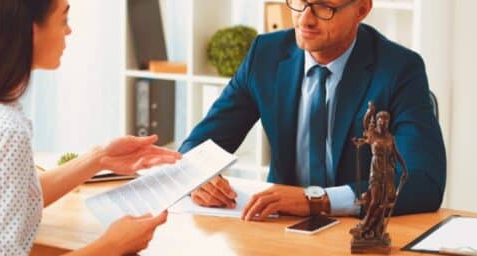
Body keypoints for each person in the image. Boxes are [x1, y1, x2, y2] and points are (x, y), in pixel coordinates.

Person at [0, 0, 181, 255]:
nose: (69, 31)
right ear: (30, 31)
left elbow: (8, 197)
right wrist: (112, 246)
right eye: (64, 18)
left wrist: (98, 159)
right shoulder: (3, 130)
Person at [180, 0, 446, 221]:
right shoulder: (265, 54)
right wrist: (199, 177)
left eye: (323, 7)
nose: (304, 19)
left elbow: (423, 182)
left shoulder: (399, 68)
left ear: (362, 9)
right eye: (299, 2)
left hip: (356, 232)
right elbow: (199, 144)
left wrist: (319, 201)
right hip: (278, 228)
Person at [350, 103, 408, 239]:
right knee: (375, 200)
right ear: (377, 122)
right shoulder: (373, 135)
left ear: (388, 123)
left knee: (385, 203)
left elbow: (397, 154)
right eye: (380, 120)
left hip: (387, 172)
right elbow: (365, 123)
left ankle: (376, 228)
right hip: (376, 170)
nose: (382, 123)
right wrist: (370, 112)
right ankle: (365, 225)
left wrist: (405, 168)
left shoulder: (390, 138)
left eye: (385, 121)